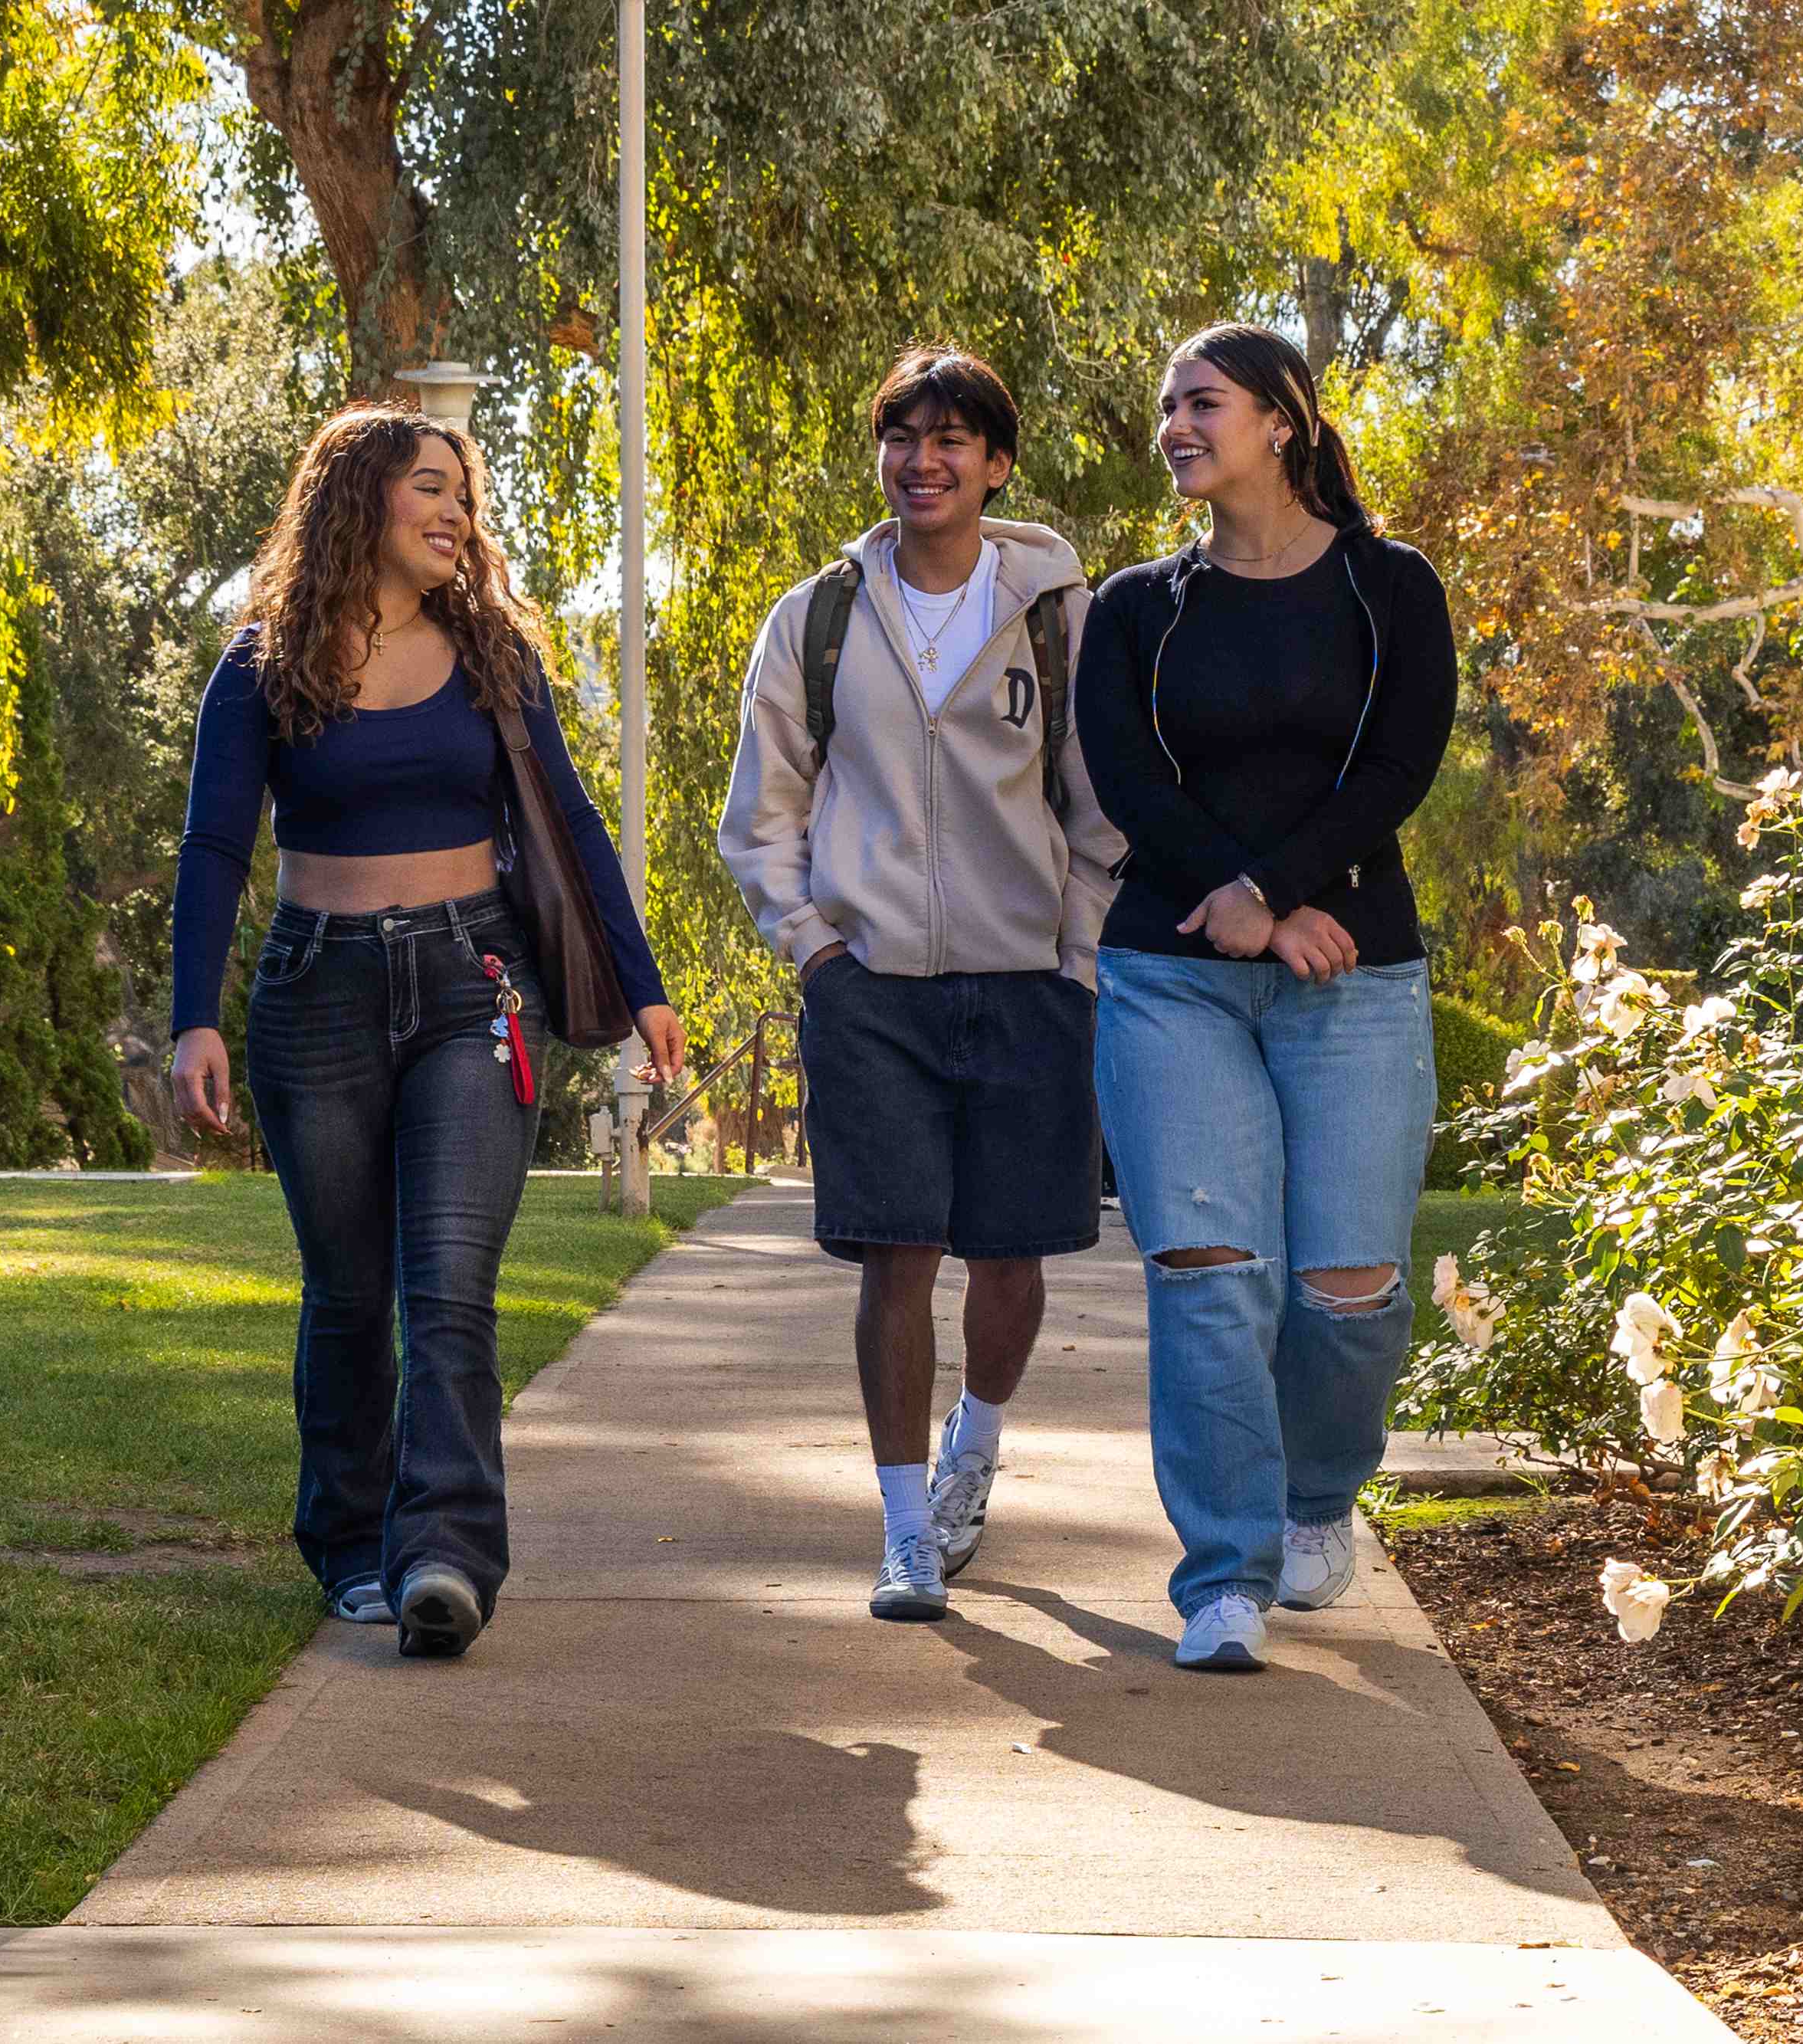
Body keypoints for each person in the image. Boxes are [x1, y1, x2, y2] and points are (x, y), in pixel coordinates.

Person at [169, 403, 685, 1661]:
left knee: (449, 1286)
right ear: (361, 501)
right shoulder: (261, 665)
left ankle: (444, 1554)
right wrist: (192, 1020)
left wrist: (644, 986)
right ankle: (351, 1543)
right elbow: (215, 847)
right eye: (430, 488)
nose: (457, 512)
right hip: (317, 993)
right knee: (350, 1296)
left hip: (475, 987)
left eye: (464, 492)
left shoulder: (494, 653)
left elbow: (572, 820)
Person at [717, 346, 1125, 1622]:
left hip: (1030, 983)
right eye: (903, 437)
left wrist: (1077, 956)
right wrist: (815, 948)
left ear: (996, 464)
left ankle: (974, 1451)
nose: (923, 460)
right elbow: (763, 812)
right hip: (872, 989)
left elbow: (1103, 805)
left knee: (1009, 1257)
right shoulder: (818, 619)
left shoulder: (1060, 615)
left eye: (952, 439)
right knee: (896, 1256)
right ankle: (904, 1531)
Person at [1074, 323, 1457, 1672]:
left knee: (1350, 1293)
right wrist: (1242, 905)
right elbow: (1128, 781)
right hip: (1172, 975)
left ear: (1283, 420)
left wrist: (1279, 892)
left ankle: (1316, 1497)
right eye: (1168, 407)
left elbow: (1400, 766)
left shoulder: (1389, 586)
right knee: (1212, 1278)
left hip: (1355, 975)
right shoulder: (1137, 607)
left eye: (1204, 403)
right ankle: (1223, 1576)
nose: (1176, 426)